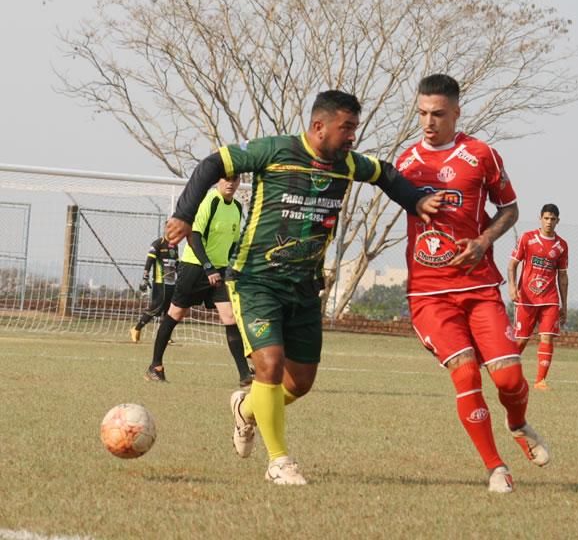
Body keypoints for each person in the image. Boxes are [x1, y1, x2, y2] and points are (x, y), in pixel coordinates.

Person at [164, 90, 442, 486]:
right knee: (270, 366)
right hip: (255, 281)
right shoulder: (274, 151)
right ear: (318, 126)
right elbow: (214, 163)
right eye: (346, 129)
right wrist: (184, 215)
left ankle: (246, 410)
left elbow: (386, 174)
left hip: (305, 288)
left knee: (300, 383)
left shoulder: (348, 165)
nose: (352, 138)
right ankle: (279, 461)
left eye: (354, 129)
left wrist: (416, 202)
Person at [395, 74, 550, 494]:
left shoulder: (481, 155)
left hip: (480, 288)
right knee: (466, 376)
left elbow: (512, 209)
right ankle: (496, 468)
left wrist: (484, 240)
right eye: (423, 113)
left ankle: (516, 423)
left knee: (509, 381)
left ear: (457, 112)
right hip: (428, 294)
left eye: (438, 114)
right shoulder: (405, 162)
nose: (428, 122)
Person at [145, 175, 254, 387]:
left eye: (235, 179)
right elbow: (193, 236)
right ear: (218, 181)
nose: (230, 183)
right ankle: (155, 366)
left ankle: (244, 375)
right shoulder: (209, 201)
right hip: (194, 268)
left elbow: (233, 244)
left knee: (230, 317)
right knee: (176, 314)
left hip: (219, 271)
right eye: (226, 179)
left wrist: (233, 267)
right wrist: (207, 266)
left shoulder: (238, 208)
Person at [507, 204, 569, 391]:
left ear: (558, 221)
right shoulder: (527, 238)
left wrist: (564, 304)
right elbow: (512, 265)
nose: (549, 222)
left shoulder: (561, 246)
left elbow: (563, 276)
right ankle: (505, 373)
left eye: (553, 219)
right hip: (526, 297)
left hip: (550, 299)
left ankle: (540, 380)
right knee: (521, 340)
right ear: (540, 218)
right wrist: (511, 286)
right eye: (546, 218)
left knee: (547, 337)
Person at [129, 236, 179, 343]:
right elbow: (149, 261)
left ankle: (165, 336)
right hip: (160, 282)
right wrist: (145, 278)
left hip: (172, 283)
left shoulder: (175, 245)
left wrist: (181, 277)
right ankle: (136, 328)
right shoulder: (157, 244)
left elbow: (177, 264)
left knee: (169, 310)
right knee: (156, 307)